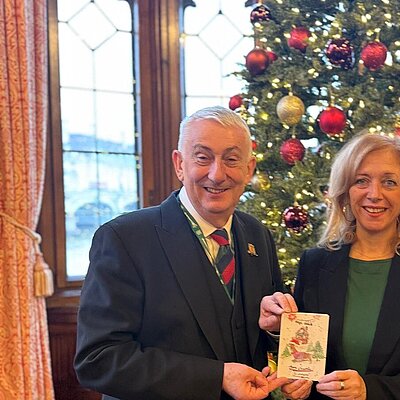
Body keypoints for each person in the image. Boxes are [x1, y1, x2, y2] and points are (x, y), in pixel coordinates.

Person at [75, 106, 289, 400]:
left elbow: (263, 331)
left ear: (249, 169)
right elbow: (98, 360)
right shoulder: (124, 239)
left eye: (231, 159)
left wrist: (277, 333)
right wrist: (217, 377)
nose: (217, 174)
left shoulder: (257, 235)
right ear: (179, 164)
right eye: (203, 157)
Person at [260, 132, 400, 399]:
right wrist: (291, 367)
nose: (374, 194)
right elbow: (303, 360)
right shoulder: (314, 264)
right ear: (346, 192)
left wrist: (369, 390)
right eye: (361, 181)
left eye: (389, 182)